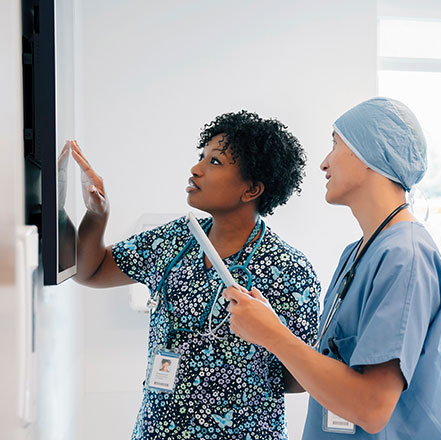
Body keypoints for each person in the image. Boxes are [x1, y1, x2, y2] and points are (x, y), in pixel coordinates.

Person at [72, 111, 320, 440]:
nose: (196, 168)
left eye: (215, 162)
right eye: (201, 157)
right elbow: (91, 270)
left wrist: (267, 336)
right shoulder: (177, 239)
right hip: (157, 431)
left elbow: (299, 381)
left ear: (252, 189)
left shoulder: (288, 268)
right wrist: (97, 214)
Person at [224, 98, 441, 439]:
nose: (324, 163)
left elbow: (372, 409)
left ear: (370, 154)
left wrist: (274, 334)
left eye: (335, 144)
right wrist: (267, 330)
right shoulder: (357, 253)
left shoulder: (406, 255)